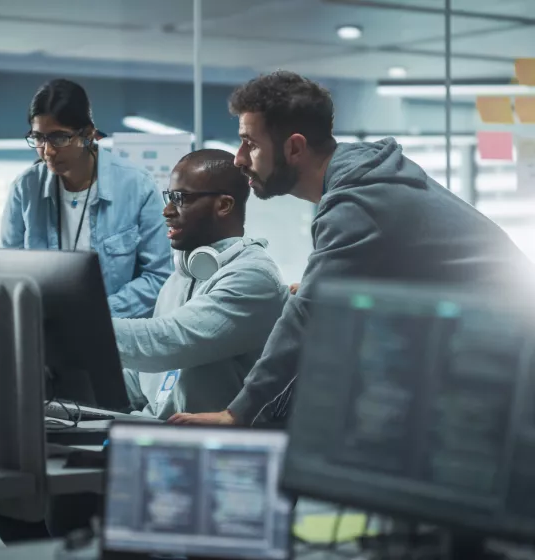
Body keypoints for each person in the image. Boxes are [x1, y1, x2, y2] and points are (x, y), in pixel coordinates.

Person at [170, 70, 534, 427]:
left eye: (250, 143)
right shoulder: (362, 176)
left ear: (294, 147)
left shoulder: (356, 202)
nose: (239, 158)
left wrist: (238, 412)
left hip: (501, 372)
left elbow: (306, 319)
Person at [114, 149, 288, 419]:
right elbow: (143, 381)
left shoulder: (254, 277)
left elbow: (169, 342)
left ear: (224, 205)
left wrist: (85, 331)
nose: (167, 211)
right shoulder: (180, 278)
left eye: (181, 199)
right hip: (154, 431)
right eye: (169, 197)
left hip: (214, 448)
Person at [0, 78, 171, 318]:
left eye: (59, 138)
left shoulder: (137, 186)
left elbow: (158, 276)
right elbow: (8, 272)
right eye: (38, 138)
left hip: (113, 334)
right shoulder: (25, 188)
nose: (47, 151)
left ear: (88, 134)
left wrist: (95, 314)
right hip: (45, 332)